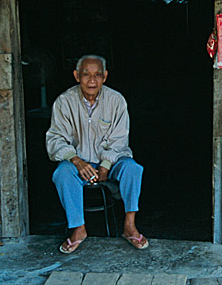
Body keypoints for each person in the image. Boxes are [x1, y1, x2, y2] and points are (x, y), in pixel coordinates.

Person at [46, 54, 149, 253]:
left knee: (133, 169)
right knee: (62, 173)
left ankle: (129, 225)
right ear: (76, 76)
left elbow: (120, 139)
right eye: (86, 75)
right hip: (78, 164)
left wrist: (106, 164)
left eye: (97, 75)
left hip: (111, 163)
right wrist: (76, 160)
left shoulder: (116, 100)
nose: (92, 80)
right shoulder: (64, 102)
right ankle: (78, 228)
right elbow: (55, 138)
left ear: (105, 76)